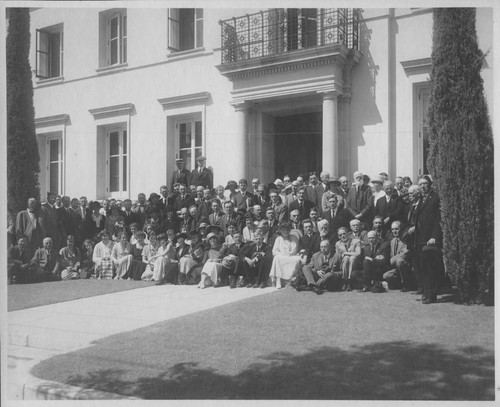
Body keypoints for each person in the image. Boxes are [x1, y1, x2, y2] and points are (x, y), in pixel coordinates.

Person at [415, 175, 445, 304]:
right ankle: (426, 293)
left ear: (430, 184)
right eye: (420, 184)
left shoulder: (435, 197)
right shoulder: (421, 198)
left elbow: (439, 218)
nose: (422, 186)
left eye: (425, 183)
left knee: (431, 268)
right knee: (424, 268)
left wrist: (434, 236)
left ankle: (432, 295)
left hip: (431, 238)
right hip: (421, 238)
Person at [269, 222, 301, 289]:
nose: (285, 231)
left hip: (291, 257)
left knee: (298, 259)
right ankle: (278, 279)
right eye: (283, 230)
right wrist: (282, 254)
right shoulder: (278, 239)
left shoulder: (294, 238)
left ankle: (291, 278)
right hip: (282, 257)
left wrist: (289, 254)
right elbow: (274, 251)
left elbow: (295, 249)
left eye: (287, 229)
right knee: (277, 257)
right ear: (280, 231)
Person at [384, 221, 413, 291]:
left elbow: (406, 254)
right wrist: (393, 259)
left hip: (408, 267)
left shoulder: (406, 239)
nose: (394, 231)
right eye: (392, 229)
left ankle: (407, 285)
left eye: (396, 229)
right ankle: (400, 284)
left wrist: (393, 259)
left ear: (401, 229)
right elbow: (391, 256)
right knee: (386, 276)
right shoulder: (393, 241)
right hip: (397, 268)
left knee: (399, 261)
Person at [335, 227, 361, 291]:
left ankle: (349, 281)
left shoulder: (356, 241)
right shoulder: (338, 244)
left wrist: (346, 253)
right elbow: (338, 256)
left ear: (348, 234)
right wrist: (346, 255)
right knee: (346, 258)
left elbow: (358, 253)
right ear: (338, 237)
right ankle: (345, 281)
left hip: (355, 263)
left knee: (352, 258)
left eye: (344, 234)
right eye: (340, 235)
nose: (343, 236)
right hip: (343, 263)